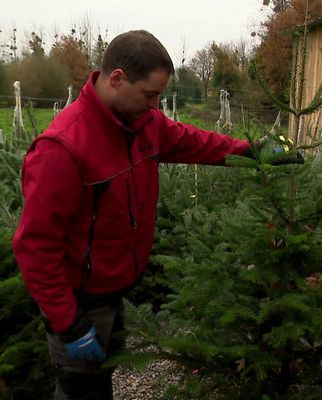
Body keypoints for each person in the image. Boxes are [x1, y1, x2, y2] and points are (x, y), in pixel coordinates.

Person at [11, 30, 284, 400]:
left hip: (115, 291)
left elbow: (194, 141)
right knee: (79, 390)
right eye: (150, 95)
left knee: (100, 381)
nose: (156, 106)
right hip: (79, 306)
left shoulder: (143, 123)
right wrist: (69, 324)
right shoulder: (62, 148)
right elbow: (34, 246)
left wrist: (252, 151)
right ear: (118, 78)